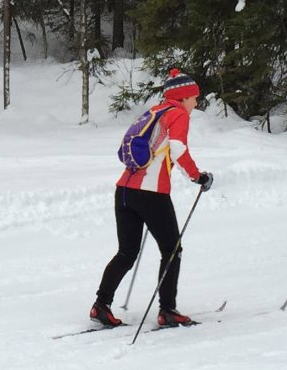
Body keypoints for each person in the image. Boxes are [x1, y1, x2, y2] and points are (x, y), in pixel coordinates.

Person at [90, 69, 213, 328]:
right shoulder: (178, 114)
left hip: (124, 189)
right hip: (151, 194)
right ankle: (168, 310)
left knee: (126, 252)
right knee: (172, 250)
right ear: (183, 97)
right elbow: (178, 149)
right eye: (194, 98)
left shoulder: (155, 111)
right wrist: (197, 176)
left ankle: (101, 305)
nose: (196, 103)